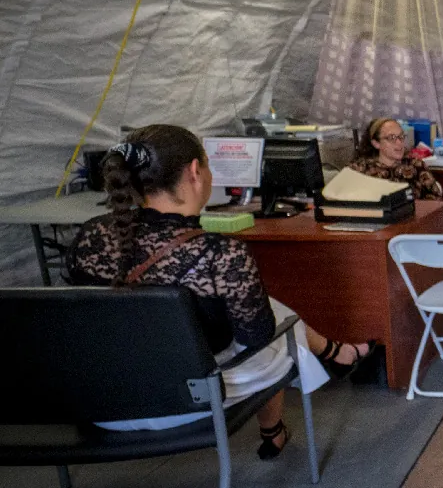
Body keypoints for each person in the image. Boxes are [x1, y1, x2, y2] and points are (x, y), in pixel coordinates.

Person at [67, 125, 372, 459]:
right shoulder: (220, 254)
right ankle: (285, 416)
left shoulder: (90, 237)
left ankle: (334, 356)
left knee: (264, 310)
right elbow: (257, 338)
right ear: (196, 172)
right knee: (280, 329)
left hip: (103, 403)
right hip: (185, 401)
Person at [348, 117, 443, 200]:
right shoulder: (358, 170)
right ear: (376, 143)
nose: (399, 143)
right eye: (391, 138)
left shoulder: (416, 165)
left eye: (401, 136)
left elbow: (435, 202)